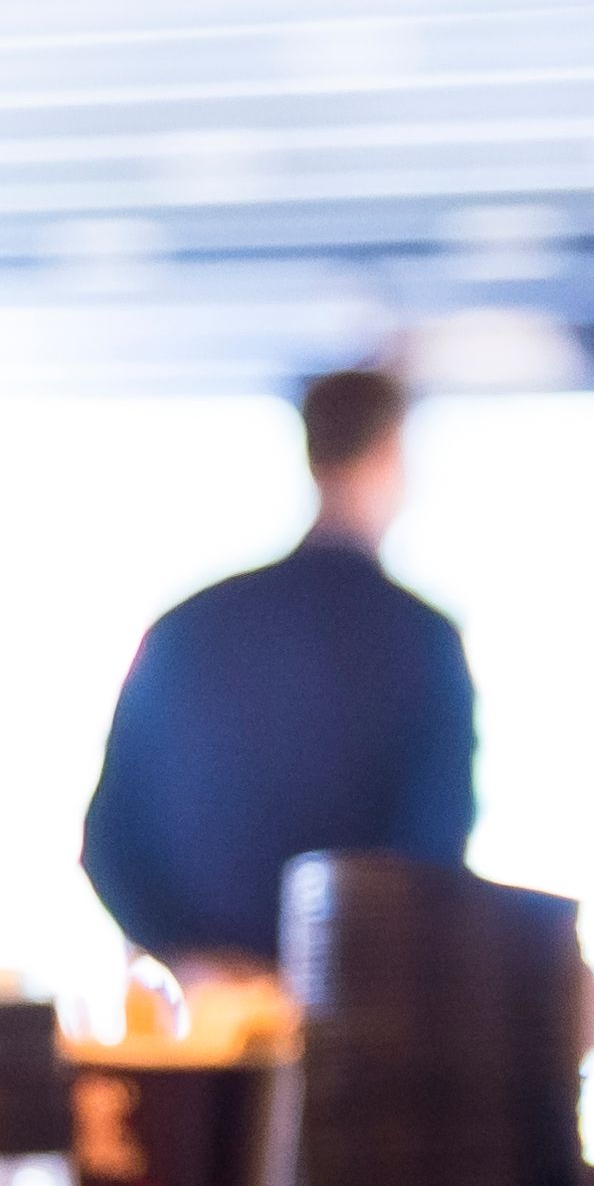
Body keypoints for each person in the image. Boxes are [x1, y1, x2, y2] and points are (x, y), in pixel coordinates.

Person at [79, 366, 479, 966]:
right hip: (353, 1022)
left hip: (204, 1029)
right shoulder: (422, 640)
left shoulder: (187, 625)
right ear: (390, 453)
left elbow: (109, 843)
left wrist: (195, 963)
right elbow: (429, 860)